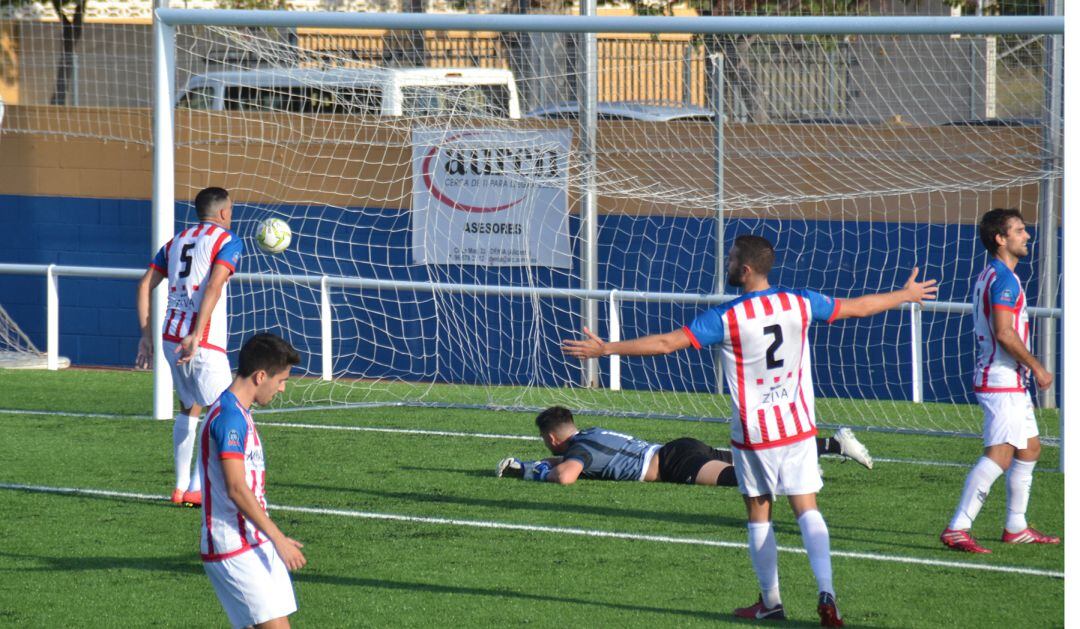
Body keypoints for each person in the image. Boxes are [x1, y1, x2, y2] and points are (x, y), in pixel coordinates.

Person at [562, 234, 938, 626]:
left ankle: (771, 602)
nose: (726, 264)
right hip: (797, 428)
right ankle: (827, 592)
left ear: (745, 269)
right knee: (807, 509)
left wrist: (608, 349)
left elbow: (665, 343)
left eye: (730, 259)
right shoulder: (799, 301)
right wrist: (905, 294)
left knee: (759, 514)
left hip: (754, 434)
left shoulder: (727, 316)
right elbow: (858, 308)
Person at [940, 209, 1059, 553]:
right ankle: (958, 526)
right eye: (1019, 231)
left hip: (1009, 380)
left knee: (1030, 448)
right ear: (1000, 238)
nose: (1027, 236)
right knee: (1001, 453)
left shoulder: (992, 275)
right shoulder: (1004, 279)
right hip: (1001, 378)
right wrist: (1037, 366)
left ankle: (1016, 525)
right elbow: (1004, 333)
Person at [135, 187, 243, 507]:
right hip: (201, 341)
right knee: (223, 412)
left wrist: (145, 336)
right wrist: (197, 333)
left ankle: (182, 487)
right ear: (223, 213)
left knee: (190, 406)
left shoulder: (176, 241)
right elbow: (214, 284)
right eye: (231, 210)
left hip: (170, 338)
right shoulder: (227, 240)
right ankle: (198, 488)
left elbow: (144, 285)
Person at [200, 332, 305, 628]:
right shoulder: (229, 418)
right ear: (261, 376)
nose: (282, 388)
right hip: (233, 545)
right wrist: (279, 539)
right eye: (281, 380)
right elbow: (235, 488)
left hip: (254, 540)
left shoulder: (238, 413)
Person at [496, 405, 873, 485]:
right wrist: (534, 461)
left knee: (741, 481)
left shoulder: (577, 453)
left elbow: (566, 476)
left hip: (674, 464)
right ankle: (834, 444)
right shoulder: (589, 434)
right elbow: (570, 457)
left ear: (551, 437)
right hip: (681, 446)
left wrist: (529, 473)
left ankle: (795, 470)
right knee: (755, 457)